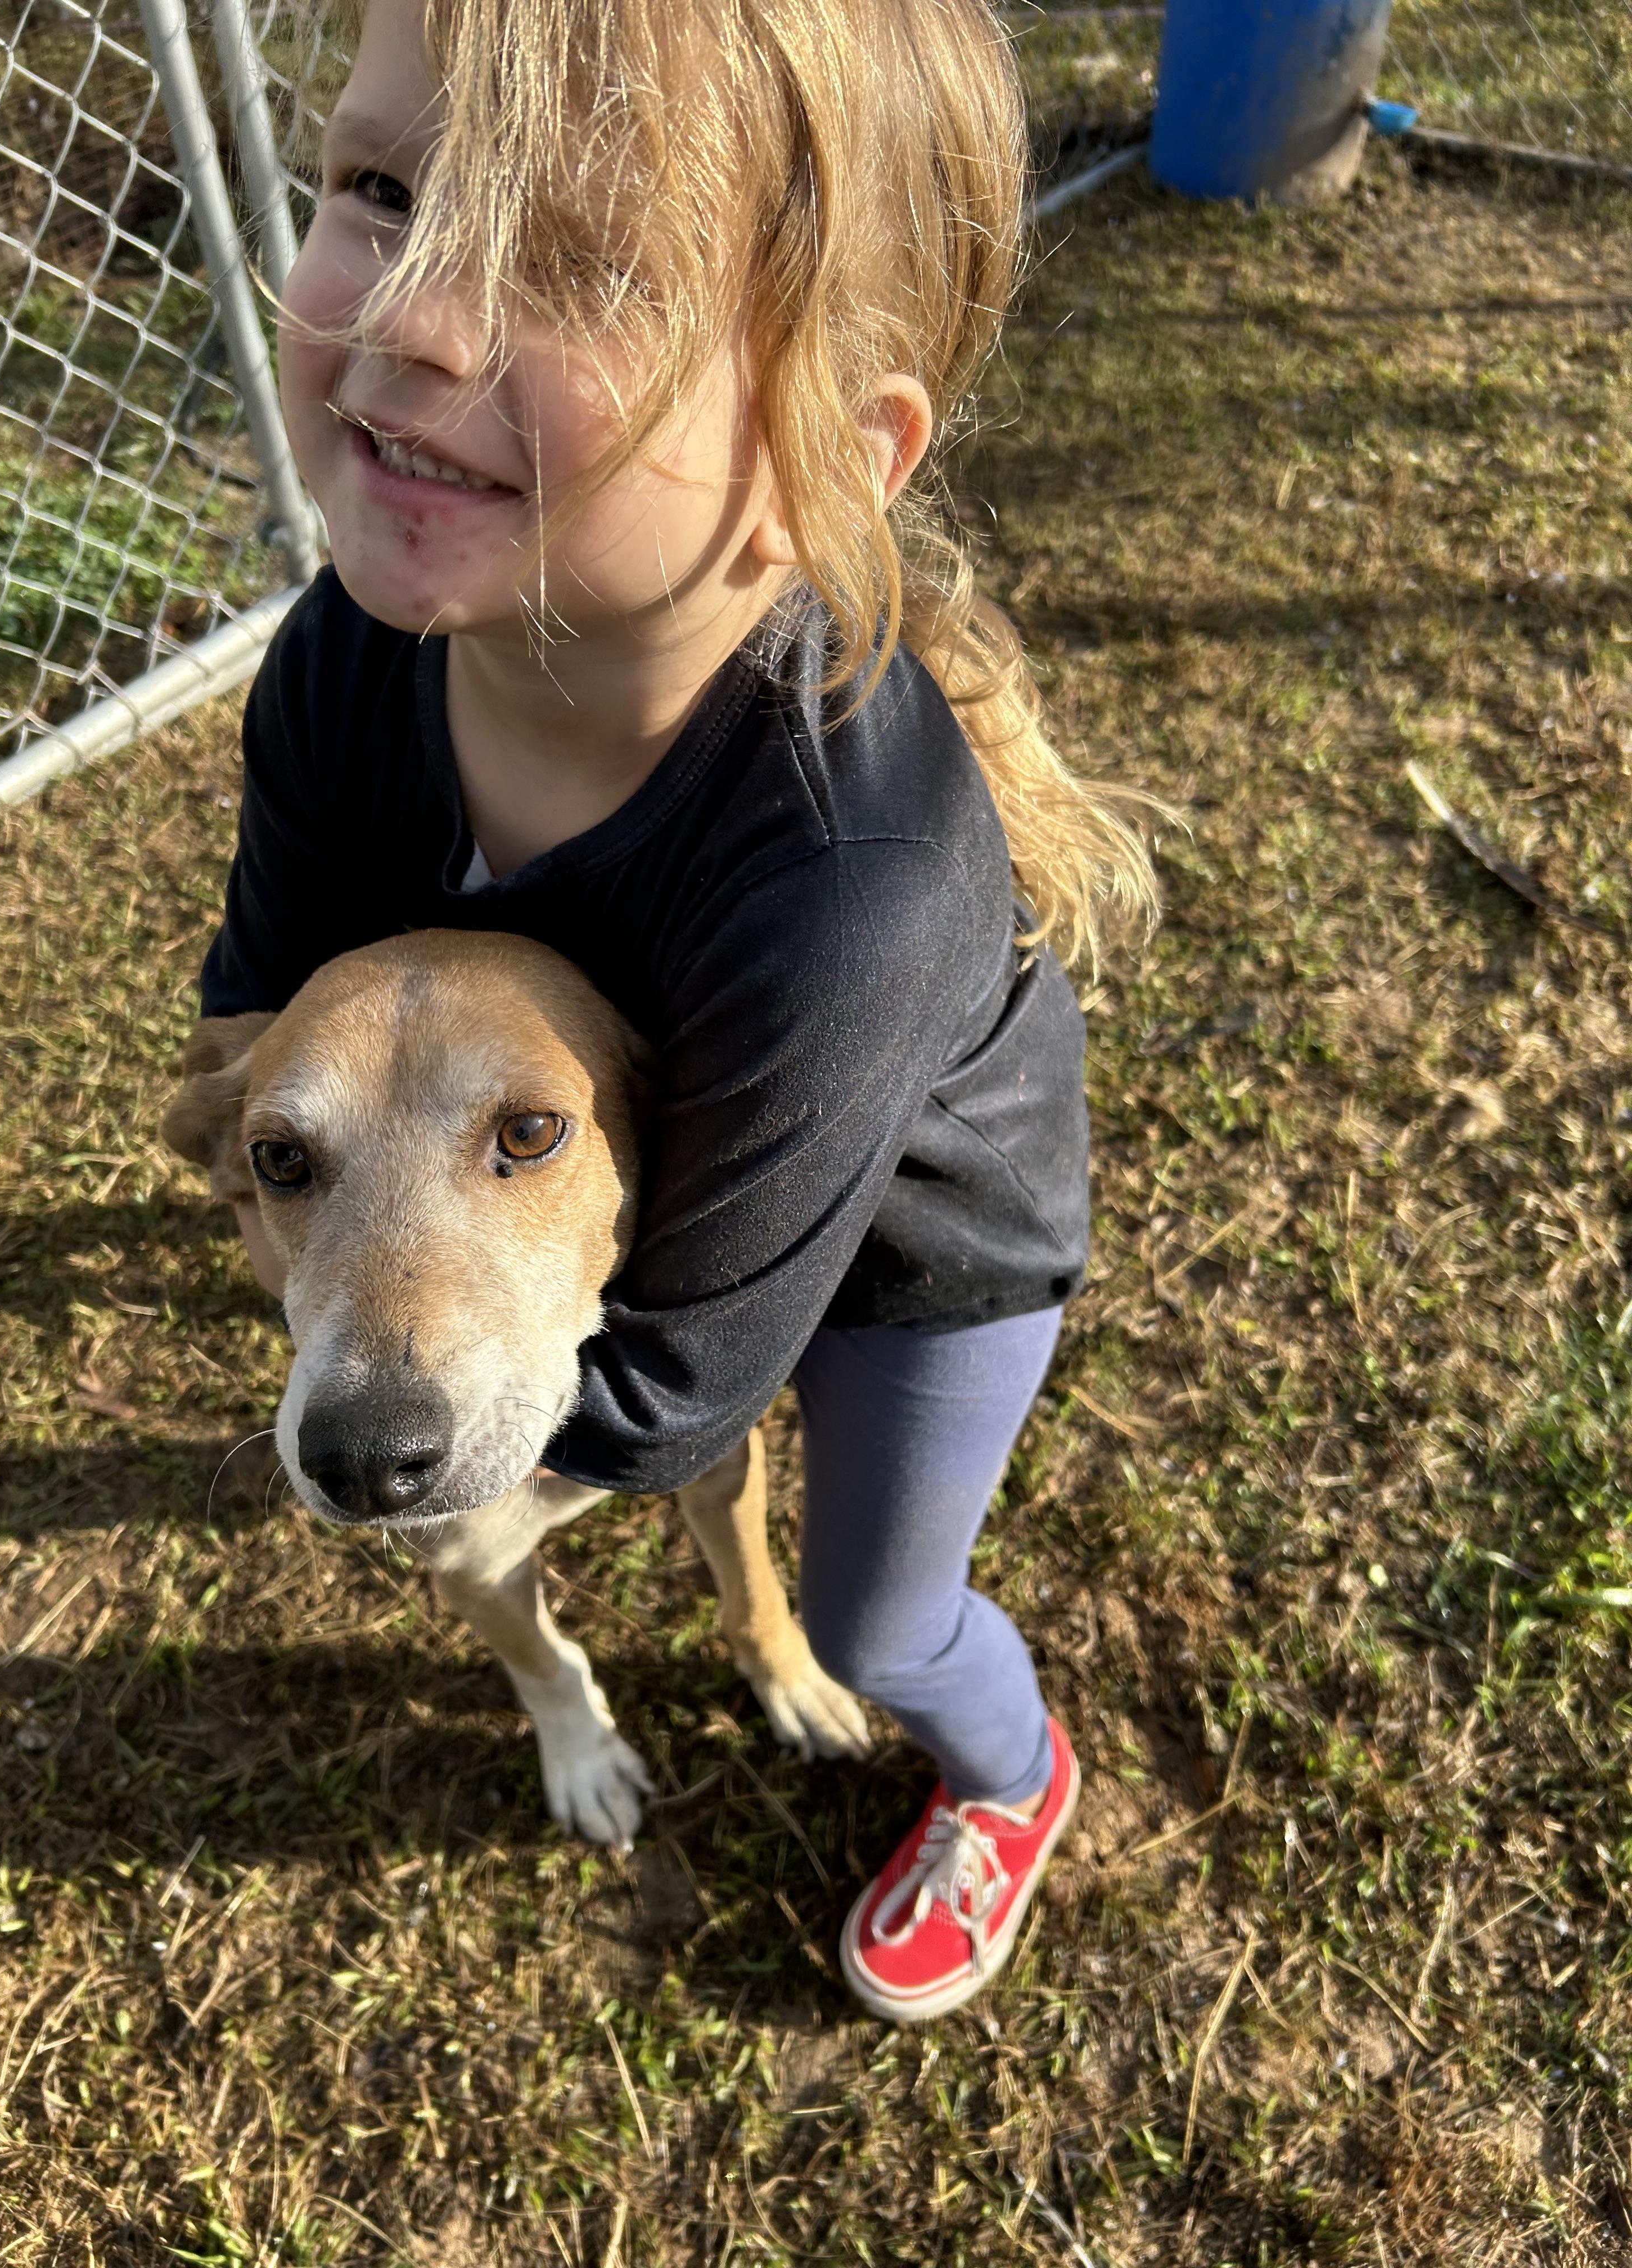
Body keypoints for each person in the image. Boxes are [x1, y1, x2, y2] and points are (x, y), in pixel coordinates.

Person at [198, 0, 1157, 2022]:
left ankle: (1009, 1774)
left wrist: (443, 1465)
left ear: (820, 461)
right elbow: (254, 1034)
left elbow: (686, 1390)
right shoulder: (344, 659)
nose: (420, 321)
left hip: (911, 1229)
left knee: (878, 1618)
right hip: (660, 1138)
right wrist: (298, 1164)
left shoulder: (853, 894)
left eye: (579, 263)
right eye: (384, 188)